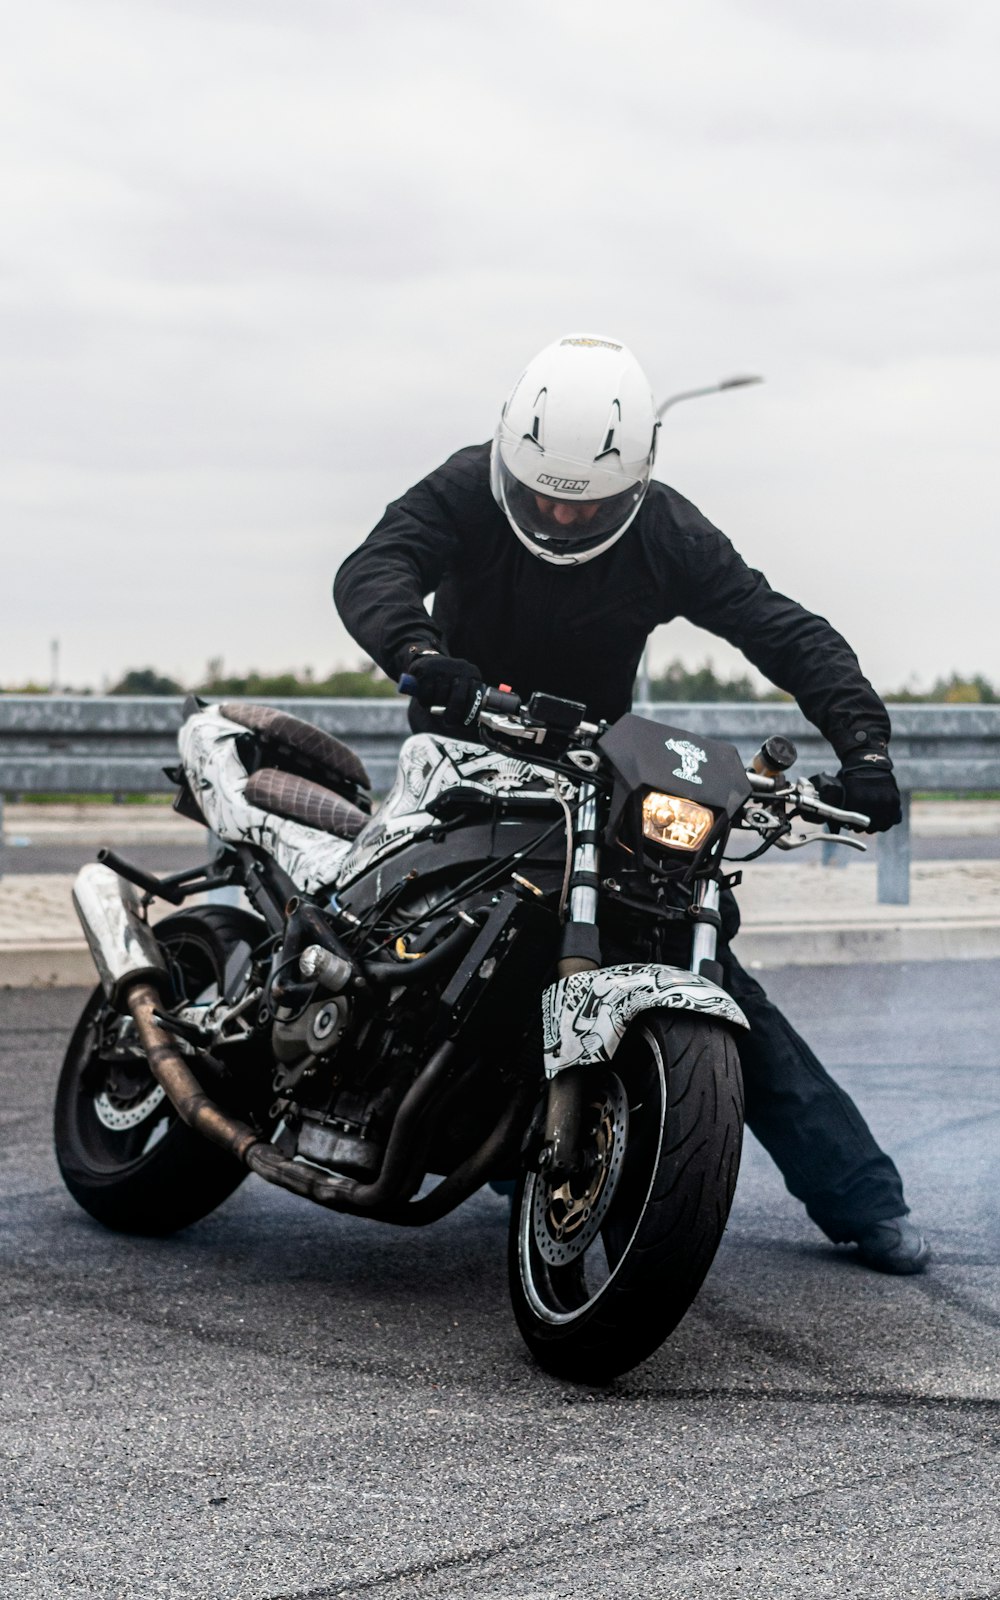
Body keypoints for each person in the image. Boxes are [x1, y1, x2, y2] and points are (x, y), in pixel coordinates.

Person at [333, 332, 929, 1274]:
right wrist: (418, 654)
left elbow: (782, 627)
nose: (561, 518)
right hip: (466, 754)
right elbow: (374, 568)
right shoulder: (463, 485)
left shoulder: (668, 531)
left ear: (637, 480)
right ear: (510, 460)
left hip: (593, 766)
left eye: (588, 505)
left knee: (700, 957)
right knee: (398, 928)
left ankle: (862, 1199)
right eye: (540, 498)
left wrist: (864, 743)